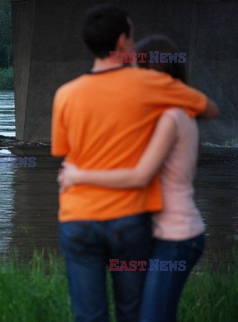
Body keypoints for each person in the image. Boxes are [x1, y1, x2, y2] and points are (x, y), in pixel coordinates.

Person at [50, 4, 218, 322]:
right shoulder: (151, 85)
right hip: (129, 220)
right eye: (133, 35)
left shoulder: (65, 94)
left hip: (78, 217)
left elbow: (64, 151)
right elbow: (208, 108)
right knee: (132, 312)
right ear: (123, 42)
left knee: (89, 315)